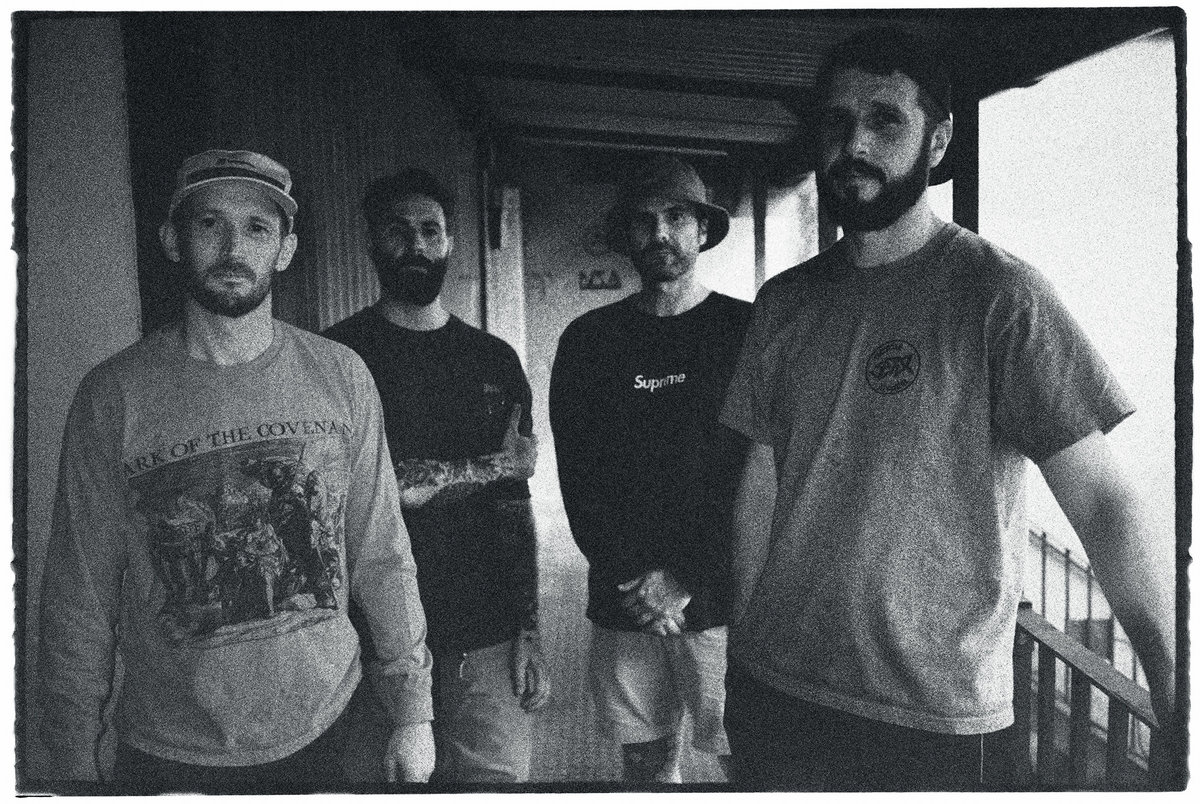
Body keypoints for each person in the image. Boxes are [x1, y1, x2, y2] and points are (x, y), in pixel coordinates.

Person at [719, 27, 1176, 791]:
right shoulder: (784, 304)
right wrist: (740, 646)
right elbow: (760, 484)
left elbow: (1102, 503)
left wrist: (1172, 683)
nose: (854, 144)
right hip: (778, 691)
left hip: (932, 715)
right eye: (836, 122)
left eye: (885, 120)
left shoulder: (999, 296)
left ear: (938, 141)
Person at [36, 150, 435, 793]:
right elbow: (79, 592)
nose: (232, 248)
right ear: (173, 240)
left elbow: (382, 554)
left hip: (333, 730)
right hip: (171, 751)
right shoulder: (112, 397)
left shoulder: (342, 377)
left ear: (285, 249)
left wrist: (413, 710)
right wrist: (73, 751)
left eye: (256, 227)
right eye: (209, 223)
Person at [323, 167, 549, 784]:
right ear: (372, 243)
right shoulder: (337, 361)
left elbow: (514, 501)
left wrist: (529, 628)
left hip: (485, 632)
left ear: (450, 243)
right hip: (369, 640)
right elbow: (361, 494)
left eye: (431, 231)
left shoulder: (493, 360)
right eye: (399, 231)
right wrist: (488, 468)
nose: (417, 245)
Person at [549, 155, 751, 783]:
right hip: (626, 596)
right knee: (645, 766)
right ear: (627, 236)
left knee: (743, 764)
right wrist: (634, 578)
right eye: (643, 221)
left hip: (720, 598)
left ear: (702, 229)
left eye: (677, 217)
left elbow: (756, 474)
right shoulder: (589, 341)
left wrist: (686, 575)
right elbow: (579, 478)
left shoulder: (745, 330)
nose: (659, 233)